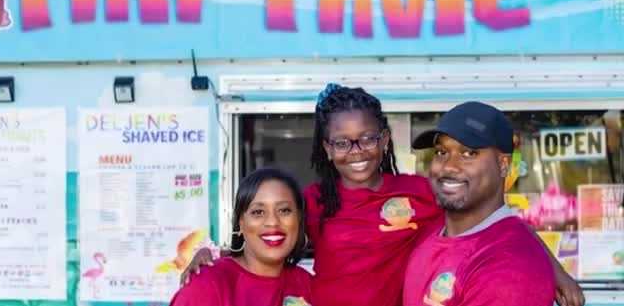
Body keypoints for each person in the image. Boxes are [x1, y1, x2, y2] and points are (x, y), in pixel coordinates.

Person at [182, 85, 584, 306]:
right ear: (326, 148)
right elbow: (269, 233)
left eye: (366, 139)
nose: (356, 153)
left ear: (385, 140)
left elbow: (498, 223)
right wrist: (213, 256)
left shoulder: (420, 191)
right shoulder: (315, 200)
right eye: (342, 143)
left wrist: (556, 269)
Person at [404, 101, 557, 306]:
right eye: (441, 152)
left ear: (503, 165)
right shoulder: (431, 230)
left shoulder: (511, 268)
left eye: (469, 153)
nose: (449, 166)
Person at [169, 167, 313, 306]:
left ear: (299, 219)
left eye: (284, 210)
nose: (272, 222)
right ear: (241, 223)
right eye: (258, 212)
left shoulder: (309, 287)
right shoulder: (206, 286)